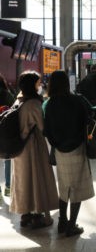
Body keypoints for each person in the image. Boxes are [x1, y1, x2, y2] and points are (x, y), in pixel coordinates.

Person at [43, 70, 95, 236]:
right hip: (77, 148)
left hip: (59, 150)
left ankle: (62, 222)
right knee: (77, 188)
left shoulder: (49, 104)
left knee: (64, 186)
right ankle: (72, 225)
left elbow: (47, 130)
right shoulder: (77, 100)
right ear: (67, 83)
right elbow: (90, 116)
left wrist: (56, 144)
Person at [10, 70, 59, 229]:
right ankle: (38, 216)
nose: (40, 85)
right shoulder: (34, 104)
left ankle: (25, 215)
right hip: (33, 146)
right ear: (32, 85)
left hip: (18, 147)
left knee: (22, 180)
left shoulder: (18, 100)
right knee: (37, 178)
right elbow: (42, 126)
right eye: (38, 83)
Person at [0, 73, 14, 197]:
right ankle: (8, 187)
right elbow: (15, 110)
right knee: (7, 159)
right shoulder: (7, 94)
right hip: (5, 131)